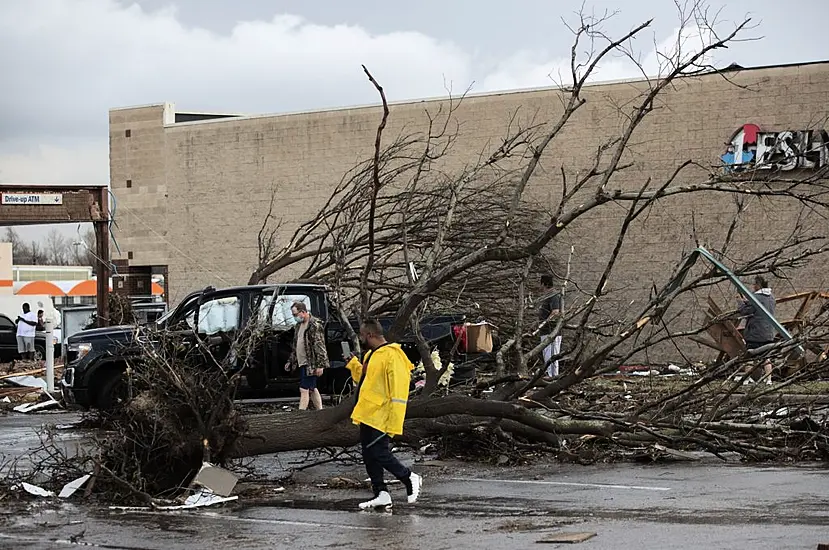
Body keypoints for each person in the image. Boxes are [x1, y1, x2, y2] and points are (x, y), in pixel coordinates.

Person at [345, 318, 422, 510]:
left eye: (362, 336)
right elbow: (365, 379)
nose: (360, 339)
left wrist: (394, 421)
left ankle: (408, 477)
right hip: (368, 413)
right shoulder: (372, 354)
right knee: (369, 454)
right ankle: (381, 493)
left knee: (379, 452)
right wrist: (352, 364)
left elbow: (399, 391)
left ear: (369, 335)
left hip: (382, 414)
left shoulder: (392, 355)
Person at [286, 301, 328, 410]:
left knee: (304, 389)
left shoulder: (314, 325)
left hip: (311, 363)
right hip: (302, 362)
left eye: (295, 314)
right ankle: (320, 411)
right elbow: (296, 345)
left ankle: (301, 413)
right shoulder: (298, 326)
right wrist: (290, 361)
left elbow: (319, 346)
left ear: (303, 312)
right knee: (312, 388)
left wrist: (320, 365)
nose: (295, 317)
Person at [737, 276, 777, 385]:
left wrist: (740, 302)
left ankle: (746, 378)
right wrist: (748, 301)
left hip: (755, 332)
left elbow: (746, 312)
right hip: (768, 333)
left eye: (754, 285)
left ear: (758, 285)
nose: (753, 287)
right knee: (766, 358)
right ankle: (769, 379)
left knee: (749, 356)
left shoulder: (755, 297)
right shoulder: (771, 298)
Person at [538, 275, 563, 377]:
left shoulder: (554, 296)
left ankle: (553, 378)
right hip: (545, 332)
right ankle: (549, 376)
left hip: (552, 332)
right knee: (547, 357)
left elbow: (555, 312)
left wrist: (545, 322)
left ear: (544, 284)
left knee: (552, 357)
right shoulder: (546, 297)